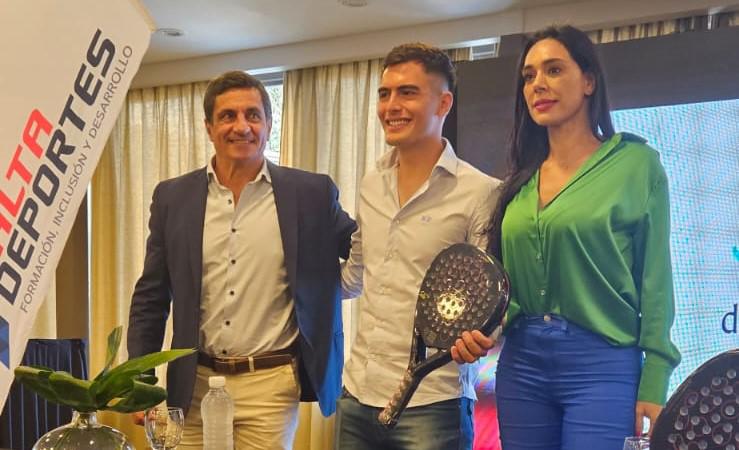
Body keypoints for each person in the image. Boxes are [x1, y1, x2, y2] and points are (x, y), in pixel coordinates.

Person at [127, 71, 356, 449]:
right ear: (208, 127)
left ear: (269, 124)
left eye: (253, 115)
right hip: (193, 385)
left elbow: (365, 250)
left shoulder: (311, 193)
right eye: (228, 116)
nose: (242, 126)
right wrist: (141, 381)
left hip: (271, 385)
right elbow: (151, 296)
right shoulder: (172, 198)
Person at [487, 25, 681, 450]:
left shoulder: (636, 164)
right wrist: (486, 325)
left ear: (589, 80)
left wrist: (656, 378)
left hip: (603, 364)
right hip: (521, 365)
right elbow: (507, 287)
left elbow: (656, 283)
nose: (538, 84)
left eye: (554, 70)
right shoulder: (519, 183)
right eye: (529, 76)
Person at [336, 43, 500, 450]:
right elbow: (356, 275)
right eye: (384, 93)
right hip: (357, 394)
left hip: (434, 403)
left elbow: (490, 306)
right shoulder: (371, 182)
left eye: (407, 93)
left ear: (444, 103)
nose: (391, 106)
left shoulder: (480, 191)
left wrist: (482, 337)